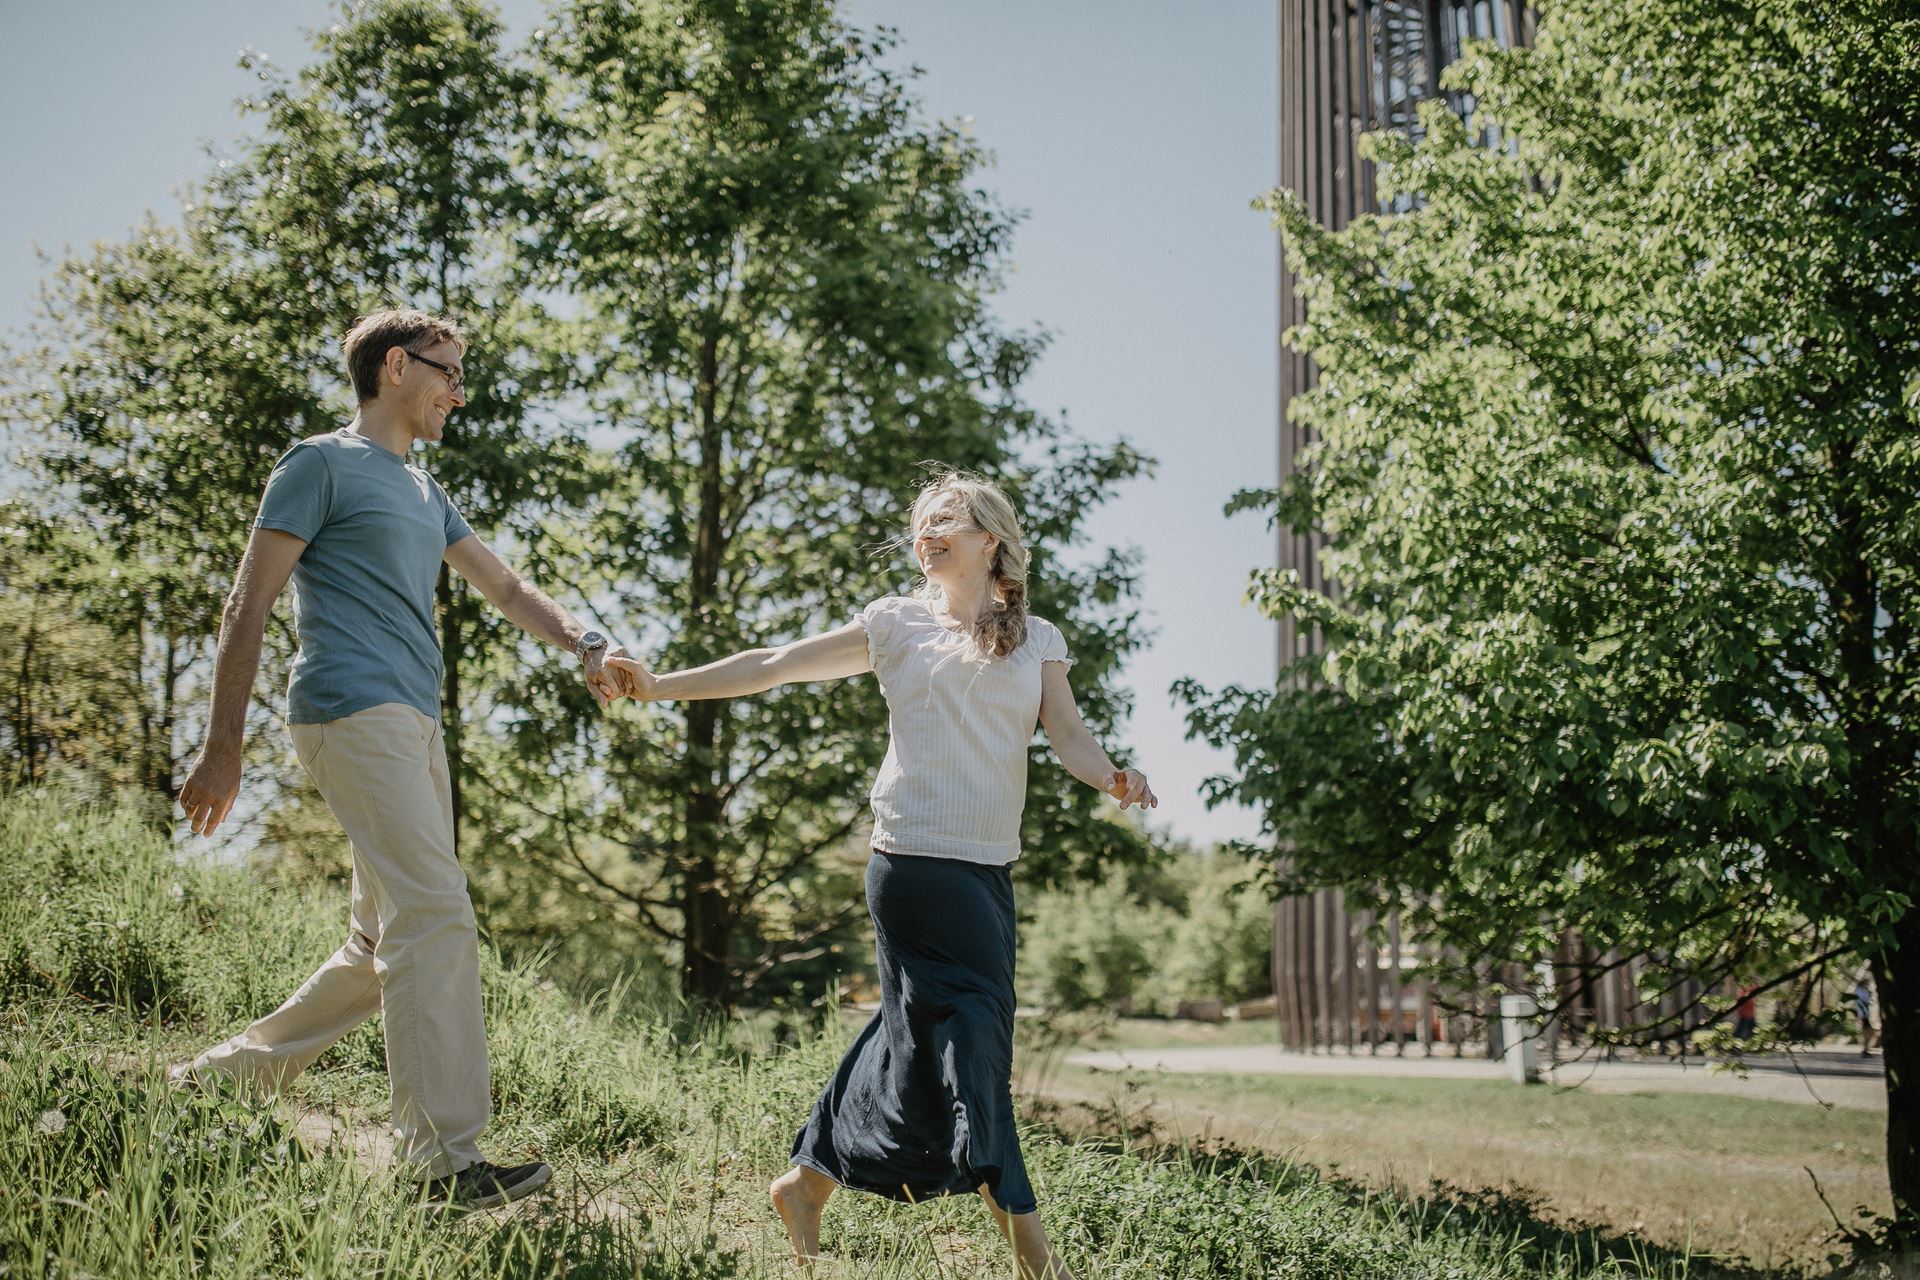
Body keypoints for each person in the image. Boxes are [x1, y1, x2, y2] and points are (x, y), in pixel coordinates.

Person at [603, 471, 1153, 1279]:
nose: (926, 532)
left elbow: (1067, 735)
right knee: (976, 1044)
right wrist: (662, 685)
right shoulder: (896, 623)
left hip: (987, 874)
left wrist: (1113, 777)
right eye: (921, 522)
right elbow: (774, 664)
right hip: (910, 866)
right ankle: (1041, 1263)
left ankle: (807, 1184)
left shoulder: (1037, 639)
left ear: (989, 539)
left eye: (947, 521)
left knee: (917, 1026)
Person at [173, 308, 626, 1209]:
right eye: (448, 373)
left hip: (415, 724)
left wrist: (585, 643)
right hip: (353, 709)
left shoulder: (425, 490)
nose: (459, 393)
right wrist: (223, 748)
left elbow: (503, 584)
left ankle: (222, 1078)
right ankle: (440, 1165)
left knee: (378, 943)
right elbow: (246, 605)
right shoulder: (318, 464)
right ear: (395, 367)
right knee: (436, 916)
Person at [1856, 973, 1877, 1056]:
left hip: (1864, 1013)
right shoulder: (1861, 991)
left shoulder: (1861, 990)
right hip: (1863, 1013)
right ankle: (1865, 1049)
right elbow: (1864, 1001)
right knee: (1868, 1032)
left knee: (1868, 1032)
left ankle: (1865, 1048)